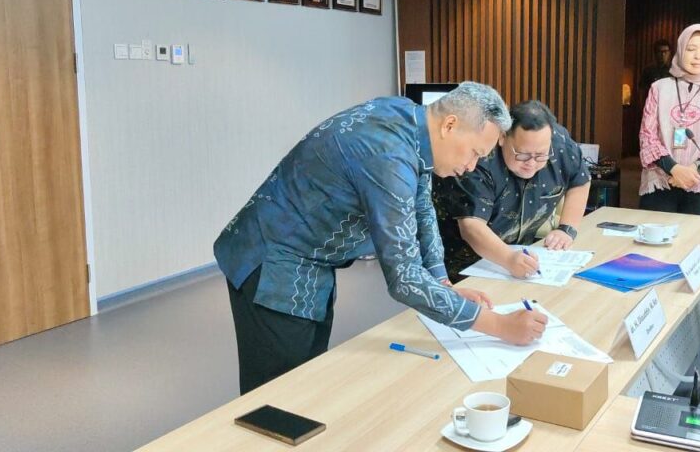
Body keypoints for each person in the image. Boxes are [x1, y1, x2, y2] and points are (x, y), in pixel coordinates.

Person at [215, 82, 548, 394]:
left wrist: (441, 282)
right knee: (277, 394)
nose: (472, 166)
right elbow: (404, 279)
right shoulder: (388, 155)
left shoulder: (410, 121)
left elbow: (422, 207)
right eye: (474, 152)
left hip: (310, 260)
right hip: (273, 262)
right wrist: (499, 326)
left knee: (306, 378)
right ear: (450, 125)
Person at [433, 101, 591, 282]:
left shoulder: (560, 144)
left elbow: (580, 180)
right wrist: (508, 258)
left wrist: (566, 229)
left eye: (540, 155)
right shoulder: (478, 159)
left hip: (518, 260)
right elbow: (471, 227)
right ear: (502, 137)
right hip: (460, 266)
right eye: (522, 154)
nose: (531, 163)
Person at [639, 24, 700, 215]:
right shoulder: (659, 88)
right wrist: (674, 169)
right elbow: (647, 136)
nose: (698, 56)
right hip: (661, 182)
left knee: (699, 235)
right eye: (691, 49)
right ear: (680, 50)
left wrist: (693, 170)